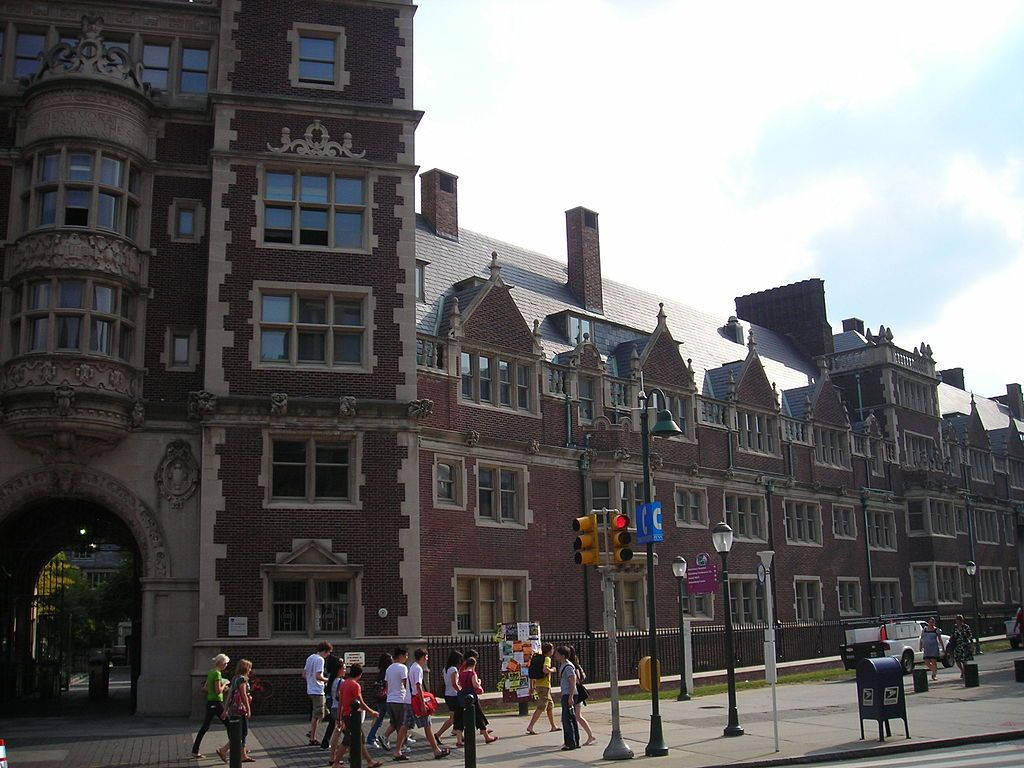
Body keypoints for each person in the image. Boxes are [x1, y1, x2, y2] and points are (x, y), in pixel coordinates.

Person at [331, 664, 382, 768]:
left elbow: (340, 701)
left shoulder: (344, 683)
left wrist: (339, 717)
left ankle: (369, 761)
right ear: (360, 674)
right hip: (353, 716)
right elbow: (360, 702)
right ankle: (336, 763)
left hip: (345, 714)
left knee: (359, 739)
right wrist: (371, 711)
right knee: (348, 740)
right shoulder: (355, 685)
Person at [408, 649, 451, 759]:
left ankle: (398, 748)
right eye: (426, 657)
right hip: (417, 699)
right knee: (427, 726)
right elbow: (418, 686)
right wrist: (423, 703)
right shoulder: (418, 669)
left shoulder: (413, 666)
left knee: (404, 725)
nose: (427, 659)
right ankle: (436, 750)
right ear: (422, 657)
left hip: (412, 698)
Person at [191, 653, 230, 758]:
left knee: (205, 727)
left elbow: (205, 688)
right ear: (221, 663)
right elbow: (218, 691)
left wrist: (216, 688)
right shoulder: (217, 674)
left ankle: (195, 750)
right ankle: (233, 749)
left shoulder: (210, 672)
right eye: (225, 663)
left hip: (210, 703)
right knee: (230, 726)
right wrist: (225, 684)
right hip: (217, 703)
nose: (226, 665)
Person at [216, 659, 254, 764]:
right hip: (240, 709)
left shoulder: (234, 678)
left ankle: (243, 755)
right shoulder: (242, 679)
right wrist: (248, 708)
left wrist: (225, 709)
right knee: (242, 732)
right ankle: (224, 750)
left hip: (234, 708)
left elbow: (230, 695)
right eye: (249, 667)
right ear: (246, 668)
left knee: (240, 732)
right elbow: (243, 694)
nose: (250, 670)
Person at [460, 652, 498, 743]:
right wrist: (479, 682)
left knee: (470, 715)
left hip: (464, 694)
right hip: (472, 695)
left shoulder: (462, 673)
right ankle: (486, 737)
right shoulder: (472, 673)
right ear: (474, 664)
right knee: (479, 714)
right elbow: (475, 685)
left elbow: (460, 684)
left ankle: (484, 734)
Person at [384, 647, 413, 761]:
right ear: (400, 656)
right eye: (406, 655)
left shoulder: (389, 668)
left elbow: (387, 685)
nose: (407, 658)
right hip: (400, 699)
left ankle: (400, 746)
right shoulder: (402, 668)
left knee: (396, 724)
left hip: (390, 699)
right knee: (402, 725)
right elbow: (406, 683)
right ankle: (400, 749)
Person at [525, 642, 560, 736]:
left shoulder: (537, 658)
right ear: (549, 651)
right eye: (552, 649)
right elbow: (545, 670)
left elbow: (532, 674)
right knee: (541, 707)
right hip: (544, 686)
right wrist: (553, 669)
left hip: (538, 685)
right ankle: (530, 726)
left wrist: (532, 687)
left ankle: (553, 726)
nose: (553, 651)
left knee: (550, 706)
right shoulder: (547, 658)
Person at [303, 641, 333, 746]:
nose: (328, 655)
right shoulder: (320, 659)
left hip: (311, 689)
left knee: (325, 712)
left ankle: (312, 731)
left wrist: (310, 682)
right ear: (325, 651)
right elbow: (318, 676)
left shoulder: (310, 657)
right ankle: (312, 738)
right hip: (317, 691)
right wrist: (329, 680)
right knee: (317, 715)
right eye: (328, 652)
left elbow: (304, 674)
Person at [434, 650, 464, 747]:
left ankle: (459, 734)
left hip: (448, 695)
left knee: (455, 717)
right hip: (454, 695)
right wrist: (461, 691)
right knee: (454, 718)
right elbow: (454, 683)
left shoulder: (445, 669)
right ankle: (438, 734)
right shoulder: (453, 669)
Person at [565, 646, 595, 745]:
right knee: (576, 716)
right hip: (576, 692)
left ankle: (590, 735)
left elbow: (577, 679)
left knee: (576, 716)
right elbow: (583, 677)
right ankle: (588, 736)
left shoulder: (572, 665)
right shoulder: (575, 664)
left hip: (575, 693)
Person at [554, 646, 579, 751]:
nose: (555, 656)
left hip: (568, 694)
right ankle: (574, 741)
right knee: (571, 718)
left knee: (567, 719)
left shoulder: (568, 666)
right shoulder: (564, 665)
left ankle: (571, 743)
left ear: (563, 656)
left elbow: (573, 681)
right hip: (567, 694)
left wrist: (570, 696)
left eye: (557, 654)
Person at [367, 652, 392, 750]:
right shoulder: (387, 672)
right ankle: (371, 738)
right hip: (385, 699)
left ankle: (371, 737)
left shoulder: (380, 672)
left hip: (380, 698)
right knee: (397, 720)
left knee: (379, 720)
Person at [320, 652, 344, 749]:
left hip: (331, 702)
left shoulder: (330, 678)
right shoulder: (339, 681)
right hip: (337, 705)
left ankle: (325, 742)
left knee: (332, 723)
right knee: (342, 729)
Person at [919, 617, 945, 682]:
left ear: (934, 623)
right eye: (930, 622)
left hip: (934, 647)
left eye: (932, 622)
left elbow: (940, 639)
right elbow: (921, 638)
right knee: (926, 661)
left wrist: (943, 648)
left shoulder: (936, 630)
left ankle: (934, 675)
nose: (931, 624)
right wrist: (920, 646)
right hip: (927, 648)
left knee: (933, 661)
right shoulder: (924, 629)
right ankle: (933, 670)